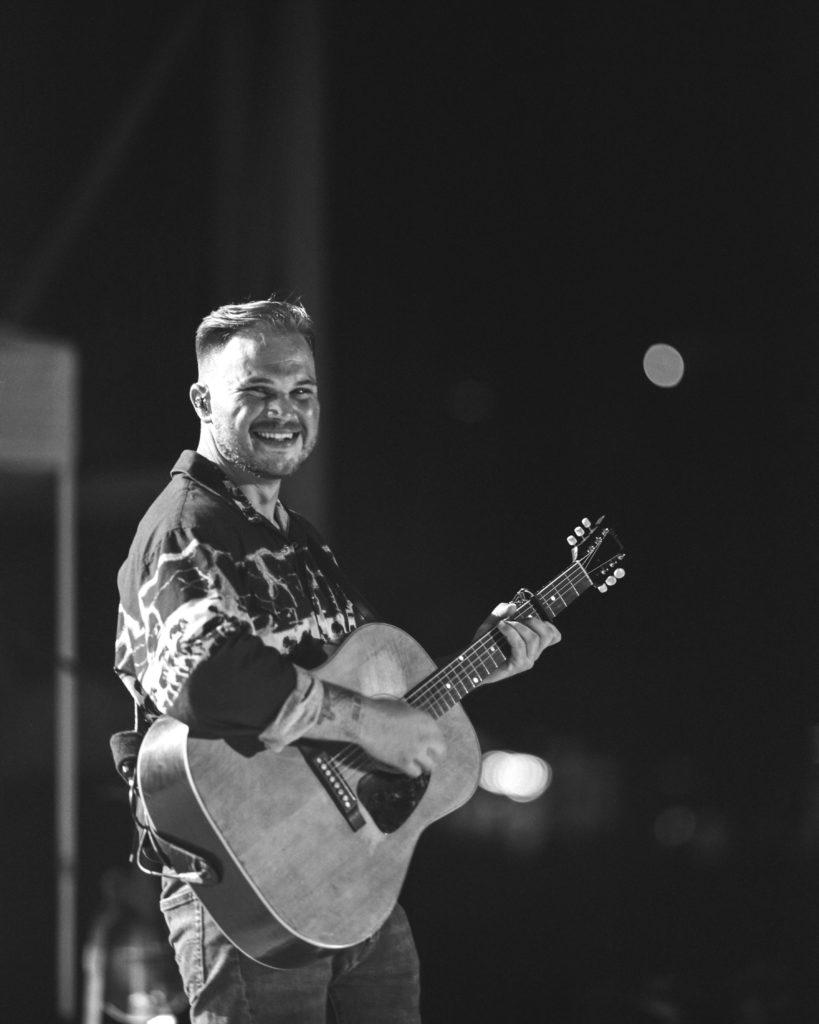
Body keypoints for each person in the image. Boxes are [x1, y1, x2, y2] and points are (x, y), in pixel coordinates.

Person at [114, 298, 561, 1024]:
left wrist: (482, 660)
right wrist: (365, 722)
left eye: (301, 392)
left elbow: (370, 691)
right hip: (250, 891)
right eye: (256, 390)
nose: (283, 411)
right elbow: (204, 672)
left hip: (353, 887)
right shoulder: (185, 525)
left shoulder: (303, 540)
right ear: (202, 399)